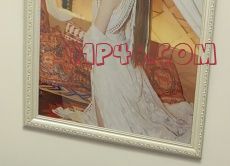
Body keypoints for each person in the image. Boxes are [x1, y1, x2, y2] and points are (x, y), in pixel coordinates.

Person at [56, 0, 193, 141]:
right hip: (122, 57)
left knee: (108, 124)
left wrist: (85, 44)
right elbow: (126, 30)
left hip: (107, 62)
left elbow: (95, 37)